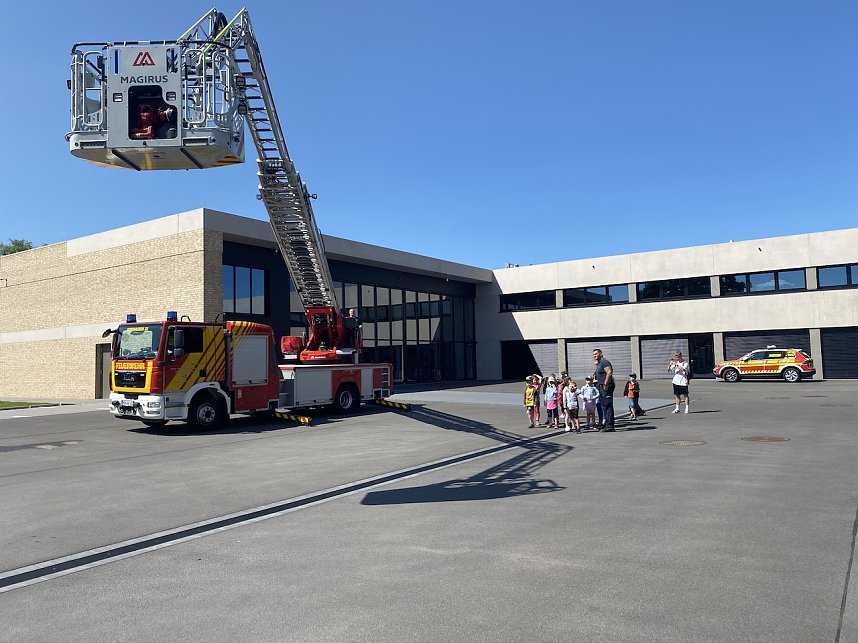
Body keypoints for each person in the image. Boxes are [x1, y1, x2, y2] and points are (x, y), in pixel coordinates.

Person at [592, 348, 615, 431]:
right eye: (593, 354)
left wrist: (605, 384)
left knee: (608, 406)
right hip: (600, 387)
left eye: (596, 354)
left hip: (606, 387)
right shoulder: (599, 363)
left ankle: (610, 426)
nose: (594, 356)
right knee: (604, 406)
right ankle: (606, 424)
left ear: (601, 354)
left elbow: (609, 372)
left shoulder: (605, 362)